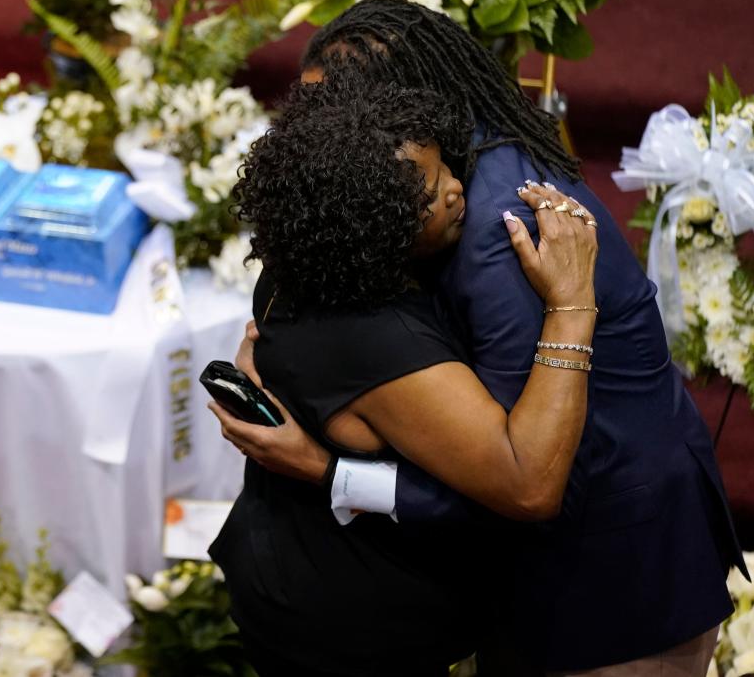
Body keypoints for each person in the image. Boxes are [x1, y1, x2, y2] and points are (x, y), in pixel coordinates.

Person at [213, 0, 744, 675]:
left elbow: (523, 477)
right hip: (521, 579)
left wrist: (332, 472)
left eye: (337, 102)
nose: (316, 124)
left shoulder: (499, 227)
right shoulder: (403, 183)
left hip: (610, 581)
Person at [209, 78, 601, 675]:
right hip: (352, 625)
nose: (453, 191)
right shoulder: (381, 344)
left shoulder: (299, 261)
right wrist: (572, 305)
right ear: (367, 219)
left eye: (444, 167)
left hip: (281, 566)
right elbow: (529, 484)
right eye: (424, 195)